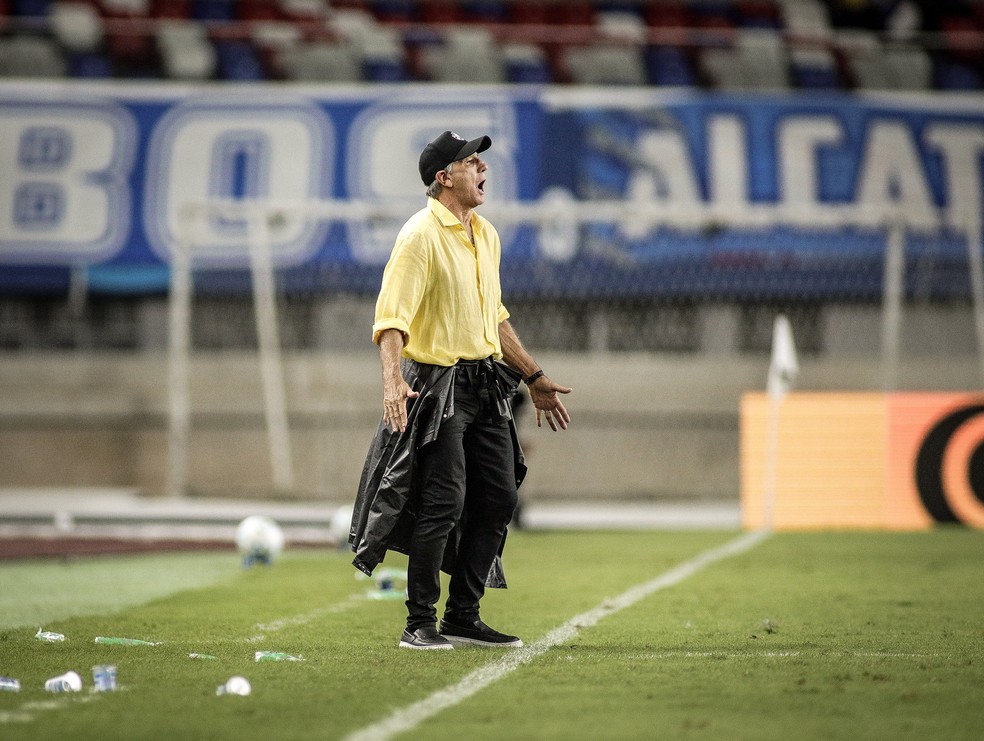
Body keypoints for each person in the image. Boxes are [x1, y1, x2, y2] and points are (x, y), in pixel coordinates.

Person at [350, 130, 572, 650]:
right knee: (443, 500)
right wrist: (392, 382)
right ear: (443, 177)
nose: (483, 169)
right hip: (437, 385)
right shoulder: (419, 235)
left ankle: (463, 616)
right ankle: (419, 622)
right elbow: (390, 320)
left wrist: (533, 376)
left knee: (500, 496)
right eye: (472, 161)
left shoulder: (485, 234)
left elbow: (494, 317)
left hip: (486, 383)